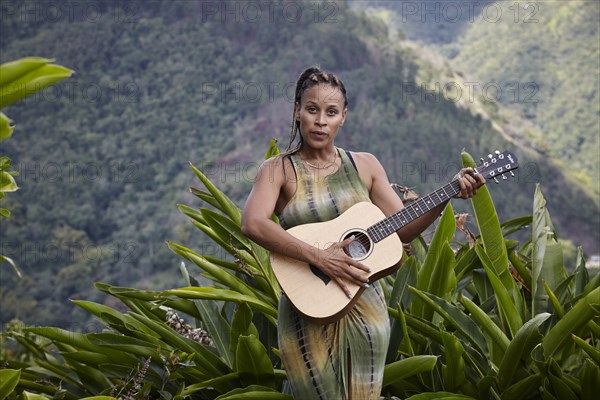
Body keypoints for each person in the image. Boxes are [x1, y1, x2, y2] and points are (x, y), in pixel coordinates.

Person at [241, 66, 485, 400]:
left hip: (365, 307)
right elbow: (253, 222)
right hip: (307, 307)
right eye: (312, 110)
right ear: (297, 111)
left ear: (344, 117)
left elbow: (403, 231)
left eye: (331, 112)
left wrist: (447, 196)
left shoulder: (365, 166)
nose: (320, 121)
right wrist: (320, 256)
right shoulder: (278, 170)